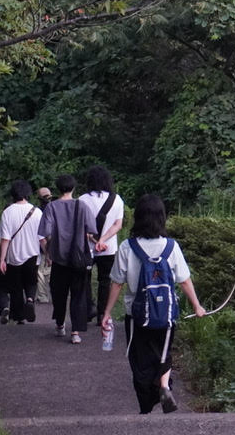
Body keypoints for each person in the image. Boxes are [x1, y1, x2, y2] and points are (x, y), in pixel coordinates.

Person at [103, 193, 206, 414]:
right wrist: (197, 306)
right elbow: (185, 280)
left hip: (136, 315)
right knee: (164, 352)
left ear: (138, 218)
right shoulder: (171, 246)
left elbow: (117, 284)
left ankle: (145, 409)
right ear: (162, 218)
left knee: (139, 359)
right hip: (166, 314)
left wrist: (107, 313)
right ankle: (164, 385)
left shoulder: (127, 247)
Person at [37, 173, 94, 344]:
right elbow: (91, 229)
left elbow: (45, 232)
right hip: (78, 259)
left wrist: (49, 252)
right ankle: (75, 331)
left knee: (59, 294)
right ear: (74, 188)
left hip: (59, 259)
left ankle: (60, 325)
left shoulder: (51, 207)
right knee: (78, 294)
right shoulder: (82, 206)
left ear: (57, 188)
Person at [78, 165, 125, 322]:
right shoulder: (116, 199)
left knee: (85, 279)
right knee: (105, 280)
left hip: (87, 248)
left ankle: (88, 309)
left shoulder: (82, 200)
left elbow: (80, 226)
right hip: (108, 248)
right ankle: (102, 314)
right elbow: (118, 225)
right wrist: (103, 240)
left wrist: (94, 240)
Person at [0, 179, 42, 325]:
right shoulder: (37, 212)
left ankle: (20, 316)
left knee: (16, 286)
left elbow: (5, 239)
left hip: (14, 256)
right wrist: (49, 254)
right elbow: (42, 237)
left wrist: (2, 259)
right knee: (31, 281)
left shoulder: (7, 212)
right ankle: (30, 299)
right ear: (27, 193)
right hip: (33, 254)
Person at [35, 186, 54, 303]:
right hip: (57, 245)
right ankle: (57, 293)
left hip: (45, 245)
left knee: (40, 271)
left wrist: (47, 251)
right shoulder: (56, 207)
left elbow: (41, 235)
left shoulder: (40, 211)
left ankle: (42, 296)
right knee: (51, 271)